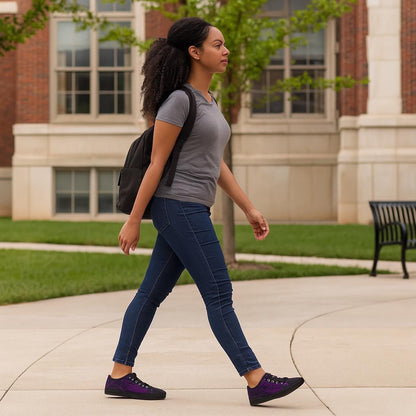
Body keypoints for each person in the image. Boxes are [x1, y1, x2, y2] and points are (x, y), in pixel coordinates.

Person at [104, 17, 304, 406]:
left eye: (224, 44)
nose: (225, 51)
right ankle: (255, 378)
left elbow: (217, 164)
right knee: (218, 291)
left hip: (192, 206)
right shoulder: (178, 100)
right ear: (195, 52)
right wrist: (133, 220)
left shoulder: (209, 101)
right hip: (177, 206)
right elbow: (156, 165)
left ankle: (120, 374)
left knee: (150, 294)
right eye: (217, 45)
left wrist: (248, 207)